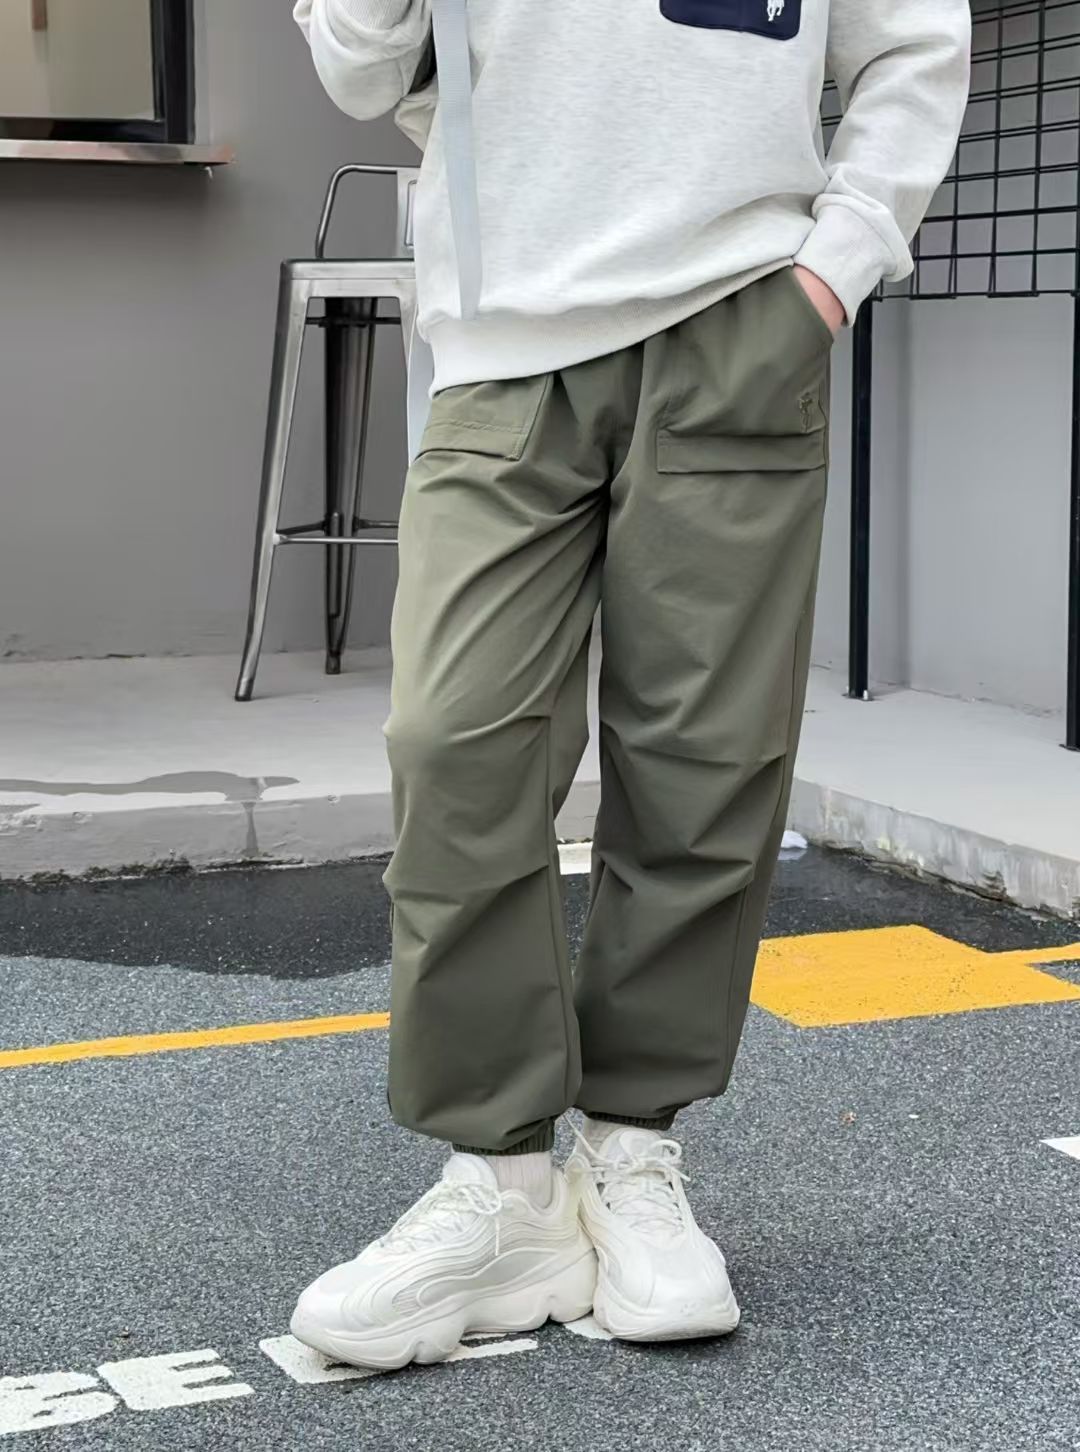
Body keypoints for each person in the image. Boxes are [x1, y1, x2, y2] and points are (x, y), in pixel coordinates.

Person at [290, 0, 971, 1371]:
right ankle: (501, 1187)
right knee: (456, 746)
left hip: (741, 317)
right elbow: (359, 68)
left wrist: (836, 264)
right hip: (503, 339)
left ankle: (632, 1150)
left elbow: (912, 41)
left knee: (704, 765)